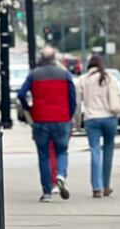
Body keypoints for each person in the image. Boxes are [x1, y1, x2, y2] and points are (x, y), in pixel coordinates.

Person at [18, 46, 76, 202]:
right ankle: (61, 174)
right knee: (62, 151)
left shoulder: (34, 75)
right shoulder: (65, 74)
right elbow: (72, 98)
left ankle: (47, 192)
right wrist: (69, 114)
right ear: (54, 58)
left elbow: (21, 94)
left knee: (43, 156)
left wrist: (28, 108)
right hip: (61, 118)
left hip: (41, 119)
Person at [75, 55, 120, 198]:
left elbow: (77, 103)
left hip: (91, 120)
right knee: (108, 151)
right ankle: (106, 186)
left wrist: (77, 121)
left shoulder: (83, 80)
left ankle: (96, 187)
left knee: (95, 151)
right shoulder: (109, 78)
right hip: (110, 119)